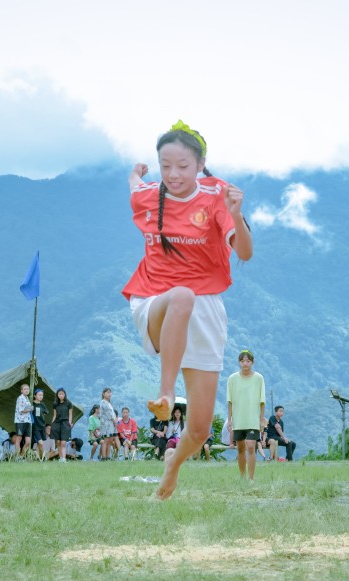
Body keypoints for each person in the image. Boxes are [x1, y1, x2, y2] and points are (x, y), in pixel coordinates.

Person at [123, 120, 253, 499]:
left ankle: (173, 466)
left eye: (182, 165)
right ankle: (166, 392)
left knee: (198, 430)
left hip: (206, 306)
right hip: (156, 300)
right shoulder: (147, 196)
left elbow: (244, 253)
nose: (172, 174)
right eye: (165, 166)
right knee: (181, 295)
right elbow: (135, 185)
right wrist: (135, 173)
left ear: (200, 164)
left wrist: (238, 214)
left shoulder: (217, 198)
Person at [227, 349, 267, 480]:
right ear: (239, 362)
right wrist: (230, 419)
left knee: (251, 446)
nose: (245, 364)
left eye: (248, 361)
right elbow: (230, 401)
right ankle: (242, 476)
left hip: (252, 419)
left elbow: (262, 401)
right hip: (238, 419)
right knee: (240, 449)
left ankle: (251, 478)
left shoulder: (258, 378)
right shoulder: (232, 379)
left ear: (252, 362)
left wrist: (261, 419)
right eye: (242, 361)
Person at [50, 388, 73, 463]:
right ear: (57, 395)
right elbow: (54, 415)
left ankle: (64, 458)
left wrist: (69, 423)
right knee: (58, 442)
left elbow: (70, 414)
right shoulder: (55, 404)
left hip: (65, 423)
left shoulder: (68, 403)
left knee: (63, 442)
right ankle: (60, 458)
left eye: (62, 394)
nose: (61, 395)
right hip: (57, 423)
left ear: (65, 394)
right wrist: (52, 424)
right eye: (59, 394)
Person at [98, 388, 119, 461]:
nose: (109, 394)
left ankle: (108, 456)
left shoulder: (109, 403)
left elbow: (112, 414)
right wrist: (114, 421)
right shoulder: (103, 402)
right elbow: (108, 414)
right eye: (107, 392)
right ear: (103, 394)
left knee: (110, 440)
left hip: (111, 424)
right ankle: (103, 457)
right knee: (106, 440)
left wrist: (114, 421)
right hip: (106, 424)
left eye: (110, 392)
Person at [14, 384, 34, 458]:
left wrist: (30, 409)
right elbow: (22, 410)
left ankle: (21, 456)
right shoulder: (20, 398)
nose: (26, 390)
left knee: (28, 441)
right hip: (20, 421)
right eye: (25, 389)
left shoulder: (27, 398)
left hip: (27, 421)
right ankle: (17, 456)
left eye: (27, 389)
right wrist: (30, 409)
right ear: (21, 390)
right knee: (19, 438)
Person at [30, 388, 50, 461]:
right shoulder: (32, 404)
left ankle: (40, 459)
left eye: (42, 395)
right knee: (41, 443)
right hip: (35, 426)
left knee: (39, 444)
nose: (41, 396)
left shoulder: (42, 405)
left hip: (42, 426)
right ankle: (44, 458)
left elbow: (46, 412)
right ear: (35, 396)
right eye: (39, 395)